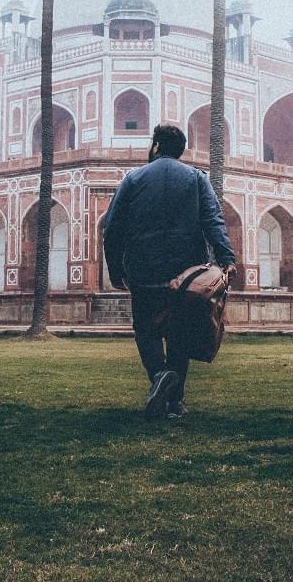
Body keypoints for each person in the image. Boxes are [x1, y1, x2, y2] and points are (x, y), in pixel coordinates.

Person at [103, 124, 236, 419]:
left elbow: (112, 229)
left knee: (147, 331)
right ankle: (174, 402)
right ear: (181, 150)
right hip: (185, 272)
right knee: (179, 335)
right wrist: (227, 259)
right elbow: (214, 221)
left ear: (155, 147)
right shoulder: (196, 179)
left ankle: (160, 376)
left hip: (143, 271)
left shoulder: (133, 179)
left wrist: (115, 269)